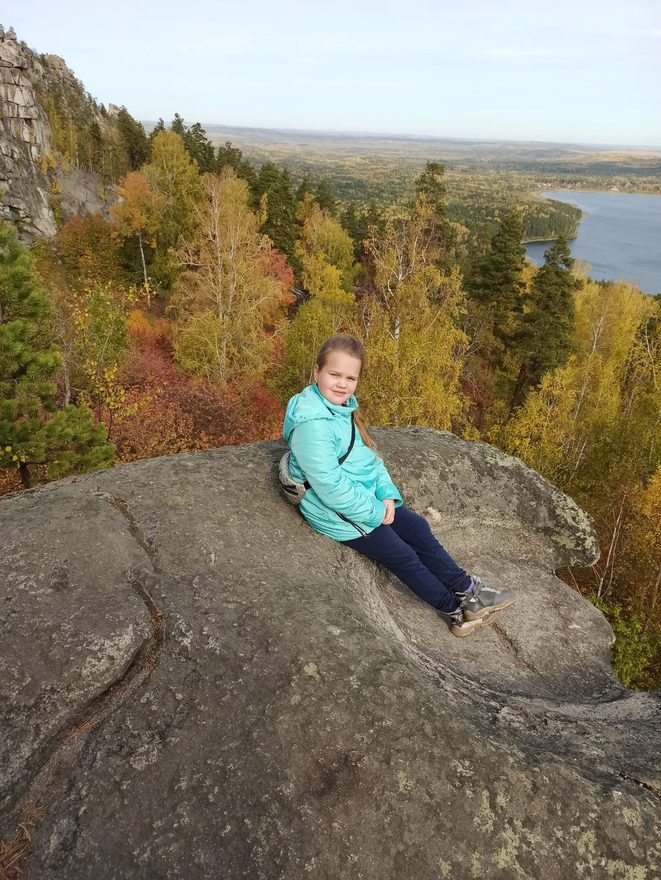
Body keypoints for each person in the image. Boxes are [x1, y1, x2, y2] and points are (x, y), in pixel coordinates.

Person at [281, 335, 516, 637]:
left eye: (350, 378)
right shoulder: (312, 423)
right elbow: (328, 485)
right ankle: (456, 611)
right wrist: (376, 511)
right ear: (317, 372)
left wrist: (386, 494)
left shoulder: (341, 409)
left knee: (416, 527)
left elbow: (367, 458)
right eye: (334, 374)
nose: (341, 384)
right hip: (336, 512)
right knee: (401, 553)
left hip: (362, 497)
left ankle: (468, 590)